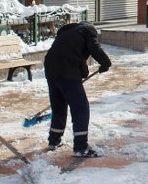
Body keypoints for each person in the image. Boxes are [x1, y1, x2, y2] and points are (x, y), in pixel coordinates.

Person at [44, 21, 112, 157]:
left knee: (59, 105)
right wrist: (105, 62)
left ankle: (54, 140)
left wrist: (82, 71)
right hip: (66, 70)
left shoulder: (68, 33)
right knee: (80, 107)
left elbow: (75, 55)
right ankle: (81, 147)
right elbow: (94, 48)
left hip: (51, 68)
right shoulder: (89, 31)